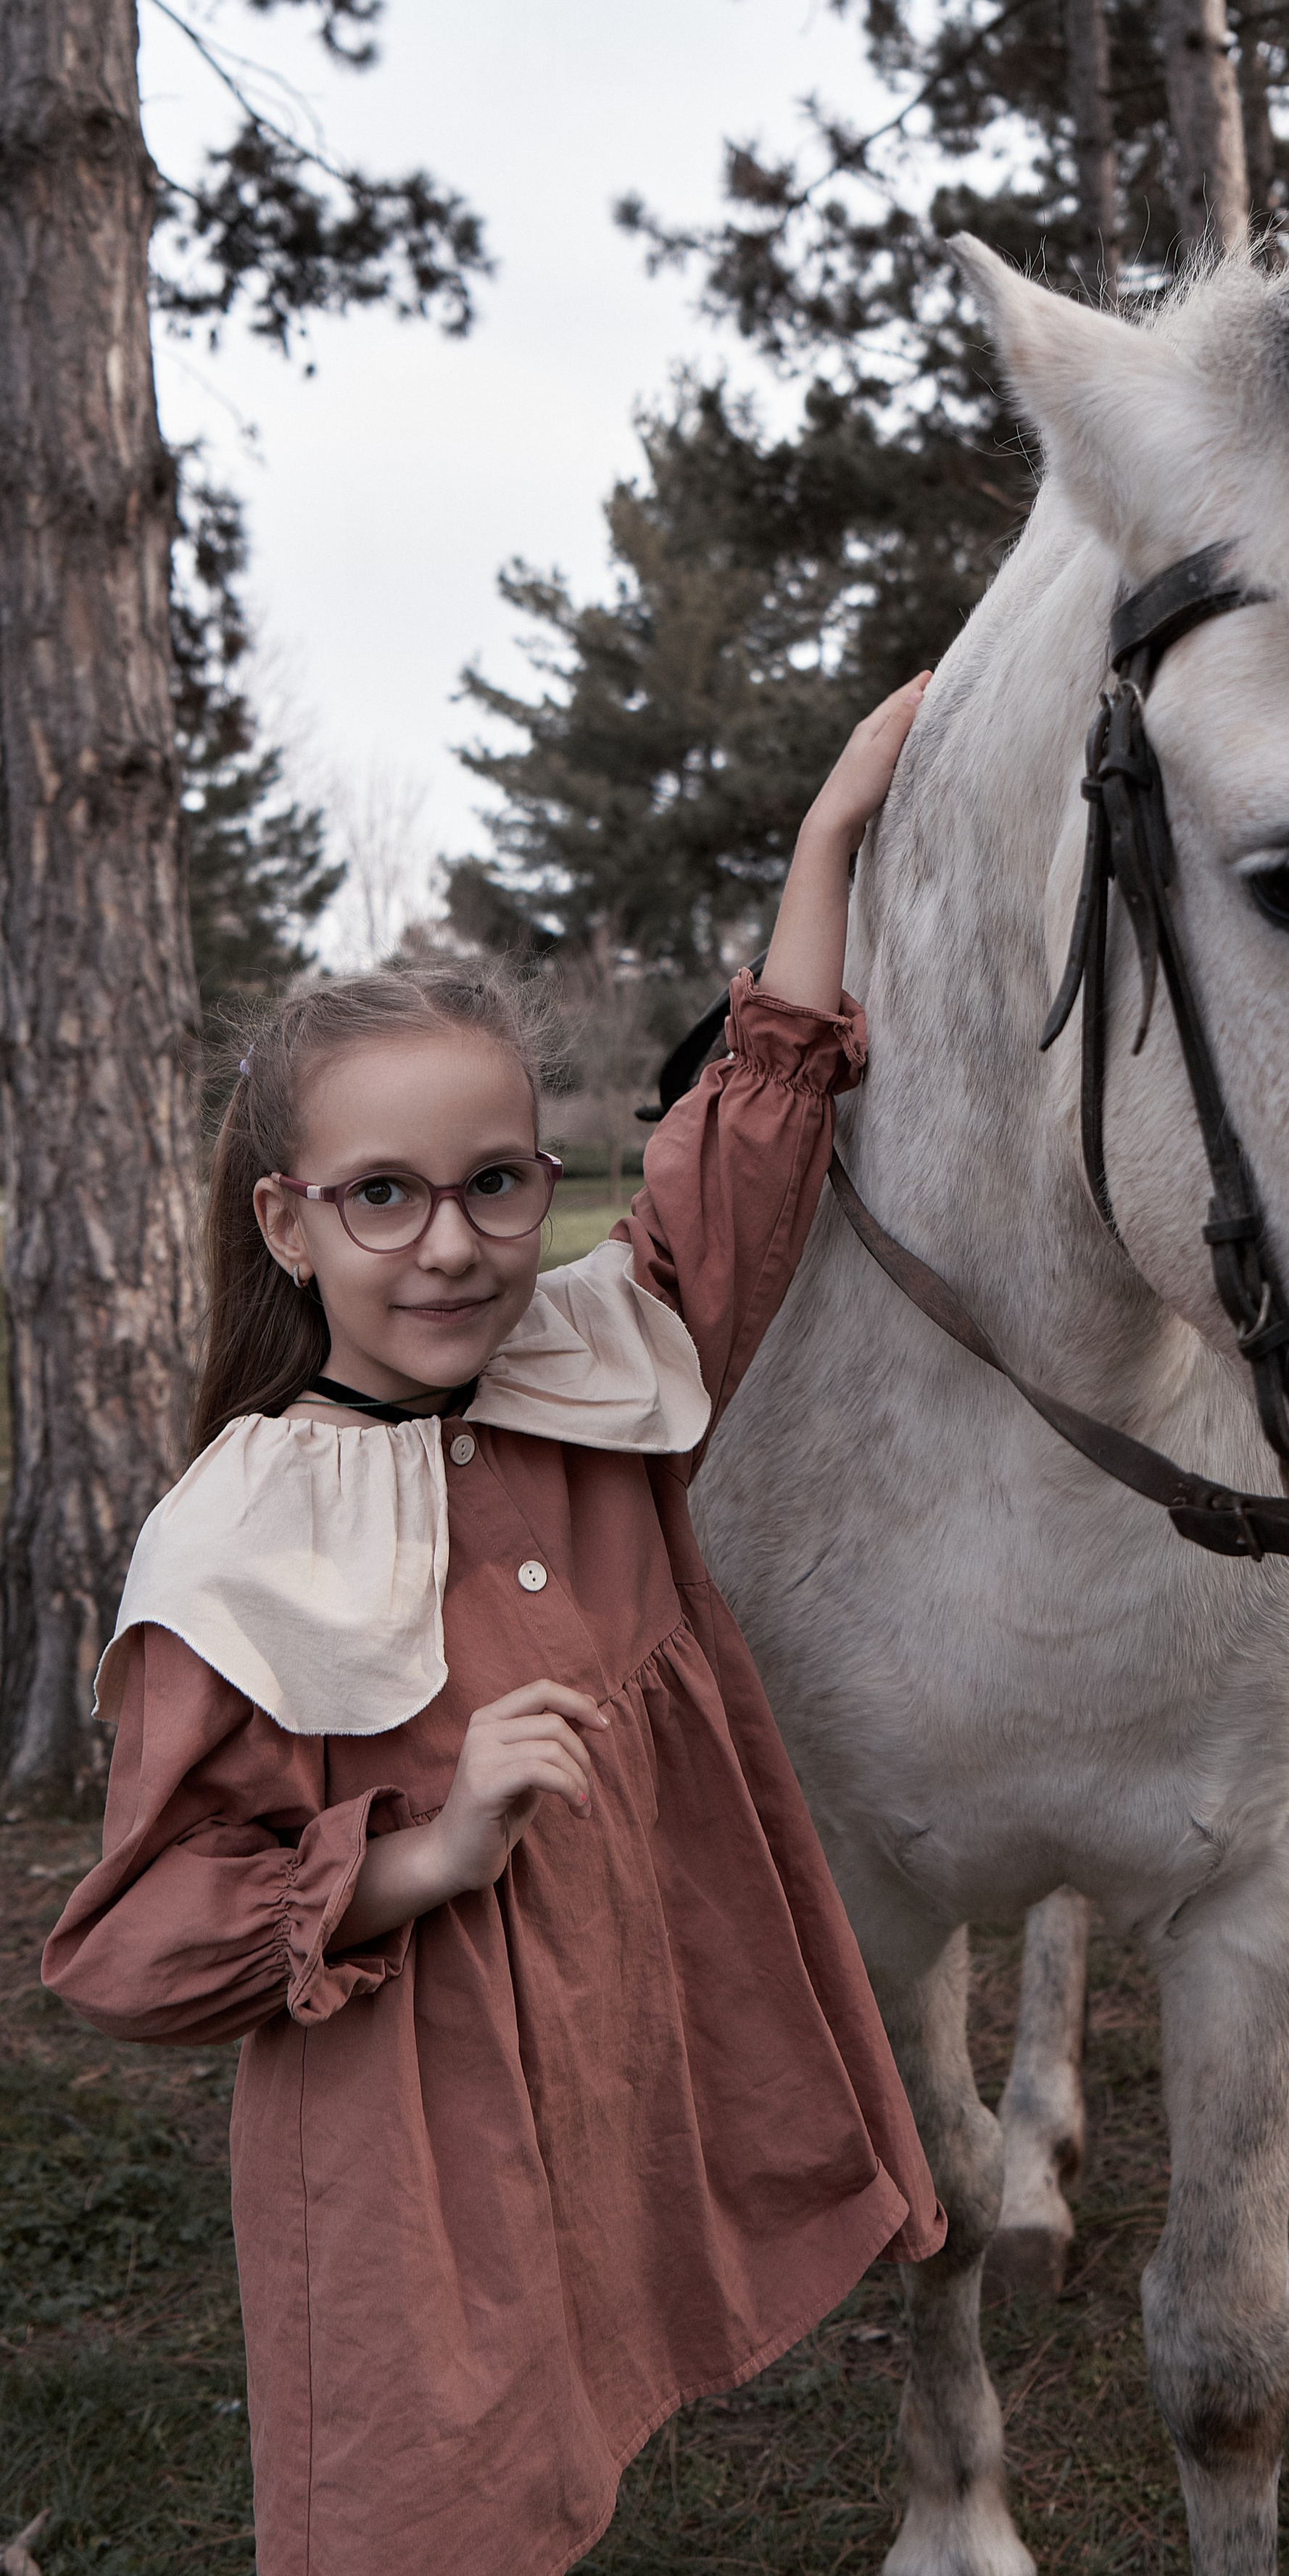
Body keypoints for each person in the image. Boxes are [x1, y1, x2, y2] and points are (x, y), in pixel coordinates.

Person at [44, 677, 942, 2576]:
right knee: (419, 2513)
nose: (448, 1244)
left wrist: (833, 836)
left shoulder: (590, 1378)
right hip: (408, 2161)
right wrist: (423, 1856)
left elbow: (742, 1161)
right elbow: (124, 1949)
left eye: (494, 1184)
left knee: (563, 2457)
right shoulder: (242, 1540)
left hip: (623, 2062)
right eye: (382, 1197)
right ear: (287, 1223)